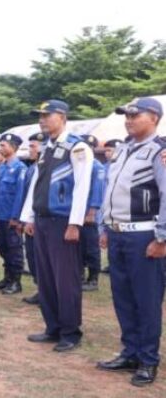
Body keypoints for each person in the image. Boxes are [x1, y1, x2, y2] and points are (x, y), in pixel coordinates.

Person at [97, 97, 166, 387]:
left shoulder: (159, 152)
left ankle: (148, 360)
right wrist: (104, 225)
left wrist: (162, 236)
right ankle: (130, 352)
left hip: (144, 236)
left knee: (146, 300)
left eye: (135, 115)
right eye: (126, 115)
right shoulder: (123, 149)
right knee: (123, 298)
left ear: (155, 118)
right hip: (117, 233)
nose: (128, 119)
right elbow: (110, 190)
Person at [21, 100, 93, 353]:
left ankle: (70, 331)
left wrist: (75, 223)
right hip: (42, 221)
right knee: (46, 278)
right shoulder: (47, 147)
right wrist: (29, 216)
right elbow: (37, 185)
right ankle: (52, 327)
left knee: (66, 280)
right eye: (39, 116)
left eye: (46, 115)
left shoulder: (77, 147)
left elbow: (83, 186)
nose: (42, 120)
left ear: (61, 116)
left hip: (63, 221)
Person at [0, 134, 27, 295]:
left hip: (12, 217)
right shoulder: (2, 167)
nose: (1, 148)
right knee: (2, 247)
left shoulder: (20, 169)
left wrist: (16, 218)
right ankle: (7, 278)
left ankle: (15, 281)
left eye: (4, 145)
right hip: (1, 215)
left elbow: (20, 195)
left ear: (13, 147)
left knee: (14, 249)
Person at [21, 132, 46, 305]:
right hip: (30, 219)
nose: (30, 149)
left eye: (33, 146)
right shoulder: (32, 168)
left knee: (43, 258)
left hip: (42, 220)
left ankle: (47, 293)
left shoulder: (48, 167)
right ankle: (40, 289)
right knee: (31, 256)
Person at [80, 135, 105, 292]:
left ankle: (93, 279)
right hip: (76, 214)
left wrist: (91, 212)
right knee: (78, 247)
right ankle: (80, 275)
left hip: (89, 214)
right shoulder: (79, 165)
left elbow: (97, 191)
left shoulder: (96, 166)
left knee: (91, 247)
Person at [100, 138, 122, 274]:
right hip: (105, 205)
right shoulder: (105, 167)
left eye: (110, 150)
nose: (107, 153)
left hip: (118, 208)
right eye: (105, 151)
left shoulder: (121, 166)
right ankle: (111, 264)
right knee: (107, 234)